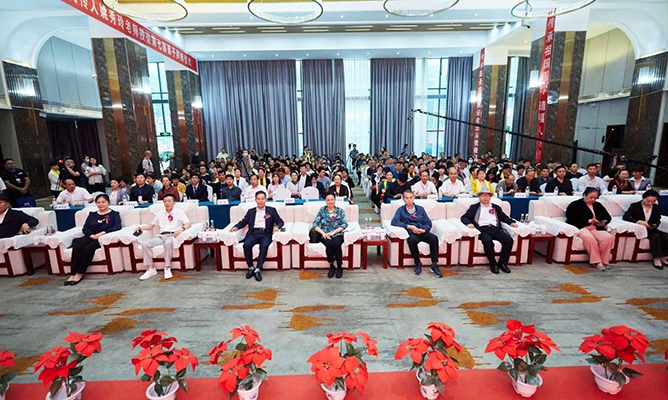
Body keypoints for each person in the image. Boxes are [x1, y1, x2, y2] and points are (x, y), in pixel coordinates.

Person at [65, 194, 122, 286]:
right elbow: (85, 228)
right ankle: (72, 273)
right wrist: (91, 235)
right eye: (98, 202)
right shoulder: (92, 214)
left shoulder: (114, 214)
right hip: (90, 236)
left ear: (108, 202)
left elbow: (117, 226)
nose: (101, 204)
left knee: (88, 249)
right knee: (77, 247)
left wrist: (102, 233)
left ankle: (80, 273)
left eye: (103, 202)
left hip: (102, 237)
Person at [461, 188, 518, 274]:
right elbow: (464, 217)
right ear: (479, 197)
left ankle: (502, 263)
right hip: (483, 229)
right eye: (483, 195)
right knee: (487, 241)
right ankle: (493, 264)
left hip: (495, 229)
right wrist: (468, 223)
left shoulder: (496, 207)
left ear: (490, 197)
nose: (485, 197)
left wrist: (511, 222)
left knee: (508, 240)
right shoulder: (475, 207)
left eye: (487, 195)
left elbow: (504, 217)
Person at [135, 194, 191, 280]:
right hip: (162, 235)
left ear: (174, 202)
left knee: (167, 243)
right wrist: (140, 228)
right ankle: (151, 268)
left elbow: (188, 223)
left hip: (173, 235)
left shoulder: (179, 212)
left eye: (169, 201)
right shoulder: (160, 213)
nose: (167, 203)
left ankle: (167, 267)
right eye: (165, 201)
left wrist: (181, 229)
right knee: (145, 244)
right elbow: (151, 226)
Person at [231, 191, 284, 282]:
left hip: (266, 234)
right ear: (255, 200)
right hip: (253, 233)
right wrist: (236, 227)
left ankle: (258, 269)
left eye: (262, 199)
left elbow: (280, 222)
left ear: (266, 200)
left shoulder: (271, 210)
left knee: (264, 246)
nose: (261, 201)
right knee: (246, 245)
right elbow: (243, 222)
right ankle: (250, 267)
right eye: (258, 199)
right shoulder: (251, 211)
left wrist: (277, 227)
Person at [390, 190, 443, 277]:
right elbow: (394, 222)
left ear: (414, 198)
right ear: (403, 199)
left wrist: (424, 230)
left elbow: (428, 222)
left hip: (422, 231)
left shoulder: (420, 209)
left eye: (411, 197)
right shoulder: (401, 210)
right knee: (411, 240)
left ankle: (434, 264)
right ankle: (417, 263)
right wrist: (409, 226)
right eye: (407, 198)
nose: (409, 200)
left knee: (434, 238)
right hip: (412, 233)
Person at [566, 187, 614, 271]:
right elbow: (571, 218)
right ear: (584, 195)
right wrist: (587, 220)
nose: (593, 200)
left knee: (608, 237)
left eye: (595, 198)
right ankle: (597, 262)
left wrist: (603, 222)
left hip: (595, 227)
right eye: (591, 197)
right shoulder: (575, 205)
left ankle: (604, 261)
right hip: (581, 226)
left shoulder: (598, 205)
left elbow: (608, 217)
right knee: (589, 238)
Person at [622, 190, 668, 269]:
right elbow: (625, 217)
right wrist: (639, 221)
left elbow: (658, 219)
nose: (650, 203)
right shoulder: (635, 206)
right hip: (640, 228)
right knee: (655, 236)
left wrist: (655, 224)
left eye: (653, 202)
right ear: (643, 198)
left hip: (651, 228)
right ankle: (656, 258)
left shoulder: (656, 207)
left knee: (666, 236)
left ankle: (664, 256)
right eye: (648, 201)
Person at [311, 193, 349, 279]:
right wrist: (323, 233)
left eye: (332, 200)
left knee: (336, 243)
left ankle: (339, 266)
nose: (330, 202)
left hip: (337, 234)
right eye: (328, 200)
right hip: (325, 234)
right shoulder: (322, 210)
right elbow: (315, 224)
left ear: (335, 200)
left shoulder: (340, 211)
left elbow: (344, 224)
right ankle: (331, 265)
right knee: (329, 244)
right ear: (325, 201)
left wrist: (333, 233)